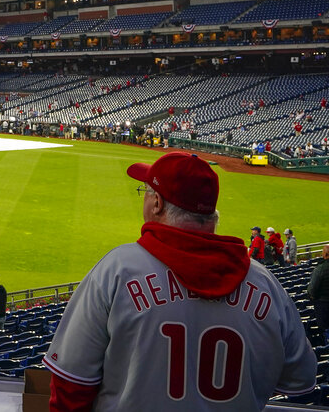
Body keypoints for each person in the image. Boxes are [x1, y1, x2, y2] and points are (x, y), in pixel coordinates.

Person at [45, 151, 316, 410]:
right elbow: (300, 380)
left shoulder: (117, 270)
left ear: (157, 203)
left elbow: (71, 385)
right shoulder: (265, 283)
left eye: (146, 191)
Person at [309, 245, 329, 347]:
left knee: (324, 330)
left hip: (323, 306)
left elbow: (312, 290)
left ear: (325, 254)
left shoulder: (320, 269)